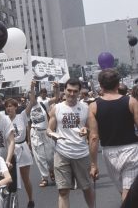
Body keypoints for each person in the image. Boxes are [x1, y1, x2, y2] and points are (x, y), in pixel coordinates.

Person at [88, 69, 138, 202]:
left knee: (124, 191)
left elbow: (93, 137)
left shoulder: (93, 106)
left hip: (109, 152)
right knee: (127, 192)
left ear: (100, 85)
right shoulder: (131, 102)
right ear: (118, 84)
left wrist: (93, 164)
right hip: (131, 151)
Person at [47, 78, 95, 208]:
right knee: (63, 191)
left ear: (79, 92)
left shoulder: (85, 108)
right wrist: (53, 134)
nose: (71, 94)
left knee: (86, 187)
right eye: (69, 90)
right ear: (64, 90)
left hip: (81, 153)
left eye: (75, 91)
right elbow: (49, 129)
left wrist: (87, 130)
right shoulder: (57, 108)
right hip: (62, 153)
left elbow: (93, 129)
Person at [27, 81, 58, 187]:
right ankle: (44, 178)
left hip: (46, 132)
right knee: (39, 157)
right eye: (30, 96)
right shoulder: (28, 109)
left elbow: (56, 98)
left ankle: (51, 170)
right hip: (35, 133)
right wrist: (29, 140)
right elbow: (27, 124)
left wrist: (56, 88)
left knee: (50, 156)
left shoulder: (43, 103)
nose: (32, 98)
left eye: (33, 96)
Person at [4, 98, 35, 208]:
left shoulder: (21, 116)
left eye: (11, 106)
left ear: (15, 107)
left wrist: (32, 88)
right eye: (7, 106)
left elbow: (31, 102)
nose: (9, 108)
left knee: (25, 178)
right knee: (10, 179)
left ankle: (31, 200)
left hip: (23, 148)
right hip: (10, 150)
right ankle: (11, 202)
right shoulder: (4, 120)